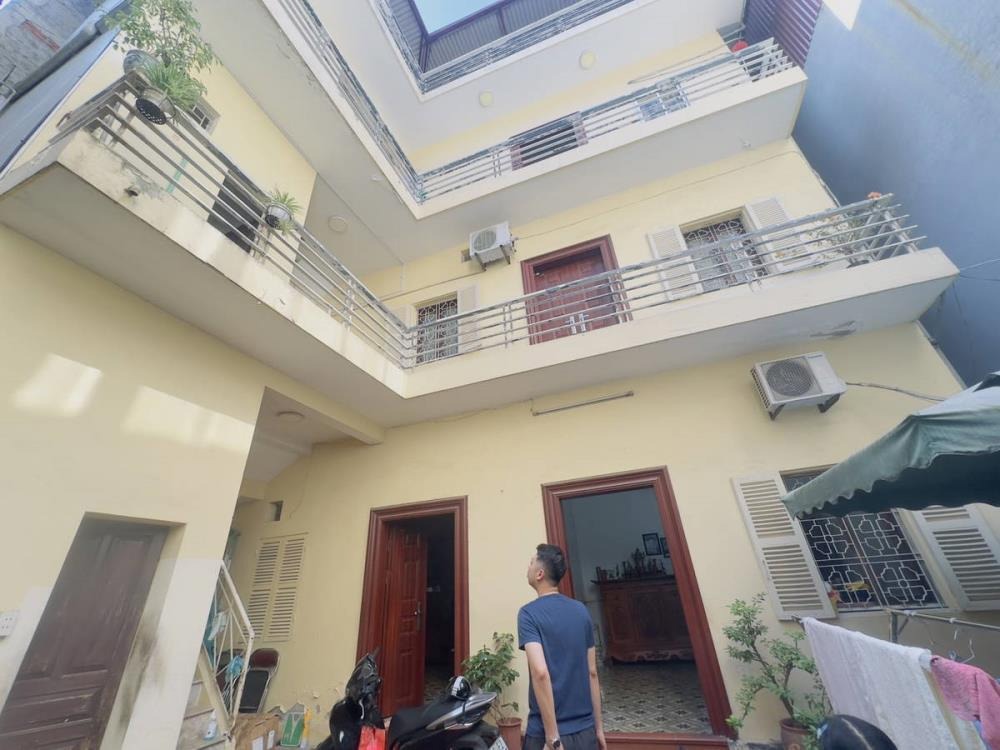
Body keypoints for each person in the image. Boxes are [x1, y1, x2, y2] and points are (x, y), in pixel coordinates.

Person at [517, 544, 606, 750]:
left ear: (540, 574)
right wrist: (599, 729)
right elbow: (592, 673)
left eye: (531, 563)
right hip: (585, 731)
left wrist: (553, 738)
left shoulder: (528, 614)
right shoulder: (581, 610)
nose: (528, 567)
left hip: (546, 735)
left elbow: (540, 673)